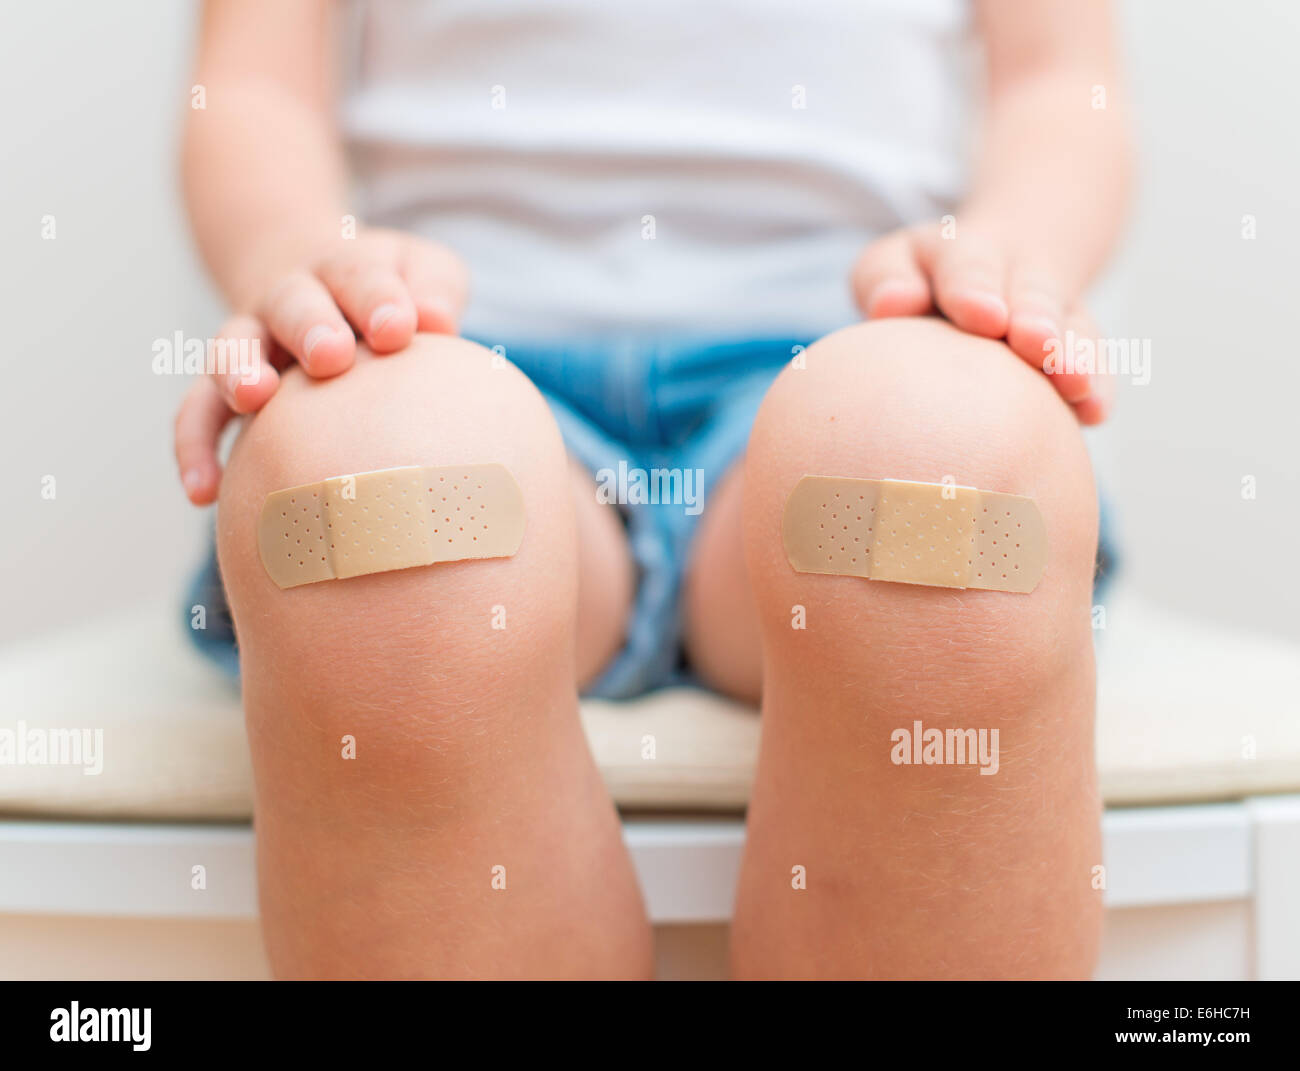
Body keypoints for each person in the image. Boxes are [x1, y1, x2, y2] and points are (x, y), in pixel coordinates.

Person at [173, 0, 1131, 978]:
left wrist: (1009, 252)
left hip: (853, 348)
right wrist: (295, 259)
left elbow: (1056, 78)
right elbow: (254, 84)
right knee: (371, 507)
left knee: (946, 478)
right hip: (437, 343)